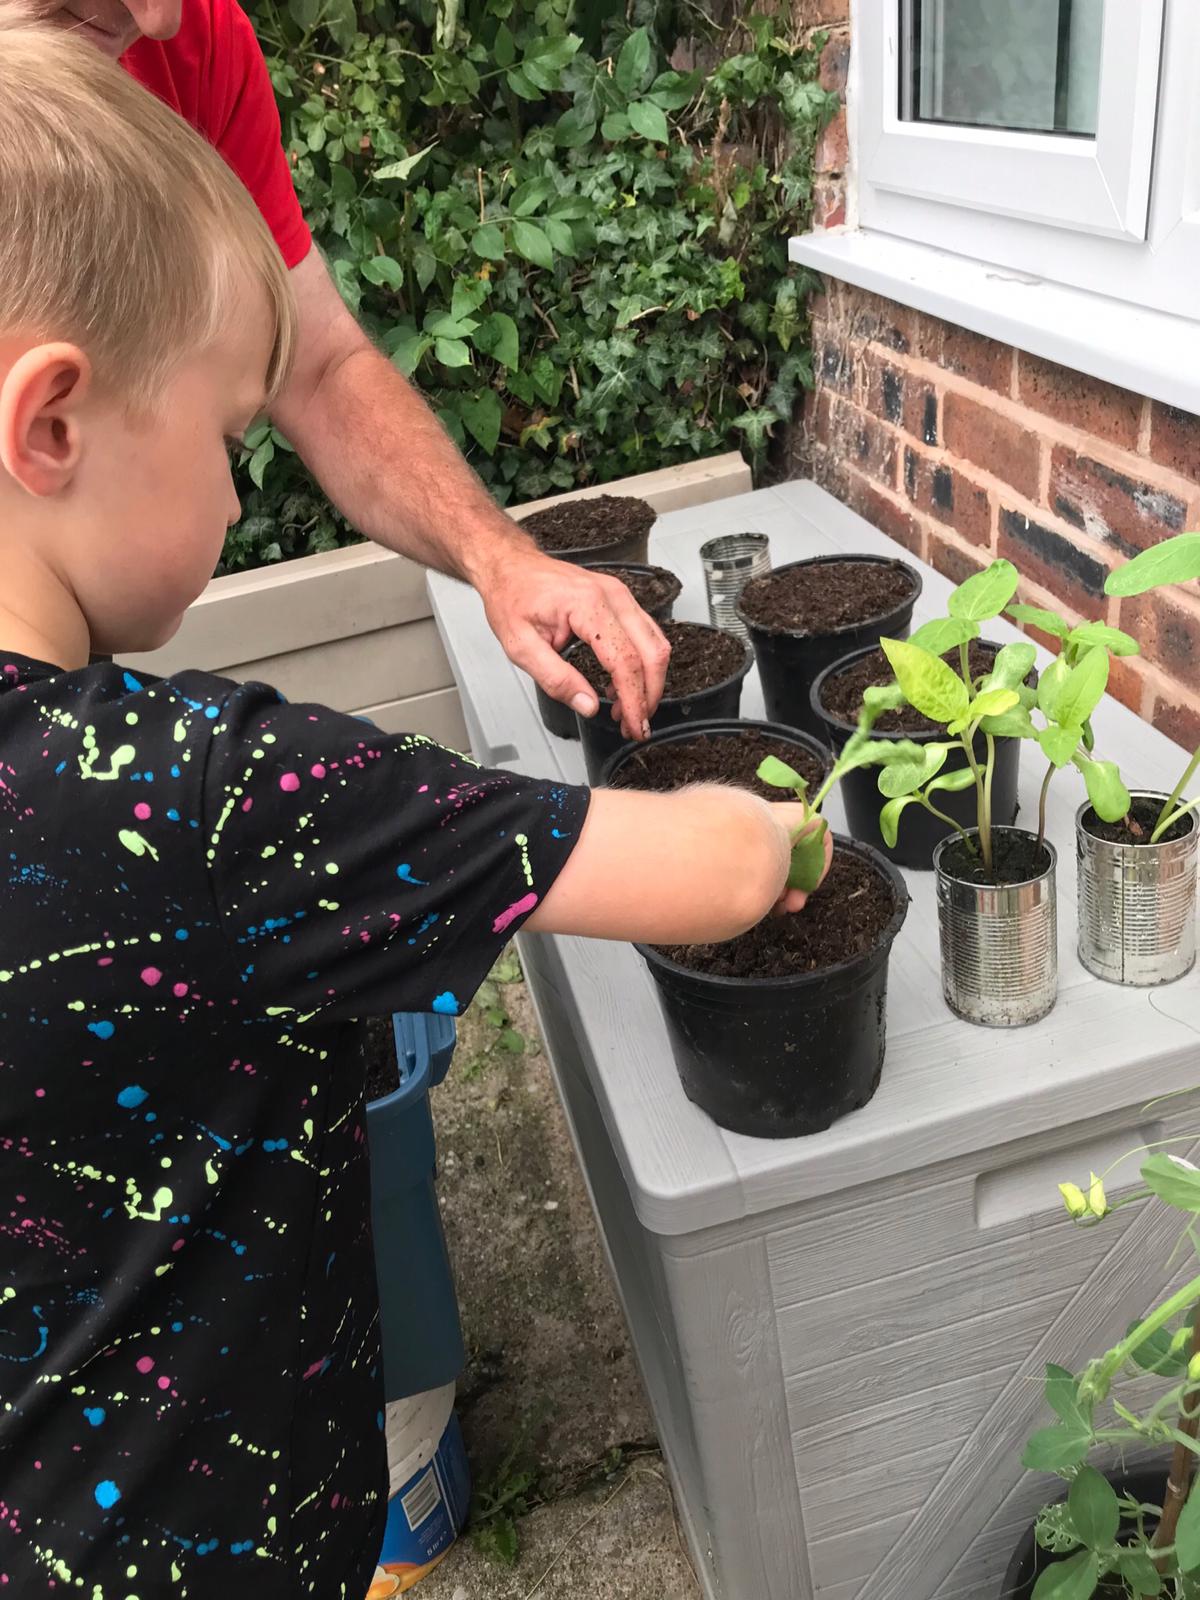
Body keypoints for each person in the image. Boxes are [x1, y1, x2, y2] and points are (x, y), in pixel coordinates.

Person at [0, 10, 830, 1593]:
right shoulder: (206, 795)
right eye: (232, 435)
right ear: (53, 422)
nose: (248, 492)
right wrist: (794, 819)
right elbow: (712, 872)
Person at [36, 0, 671, 742]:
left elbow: (319, 366)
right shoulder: (209, 773)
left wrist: (501, 560)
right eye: (223, 441)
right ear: (43, 425)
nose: (159, 19)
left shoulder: (199, 39)